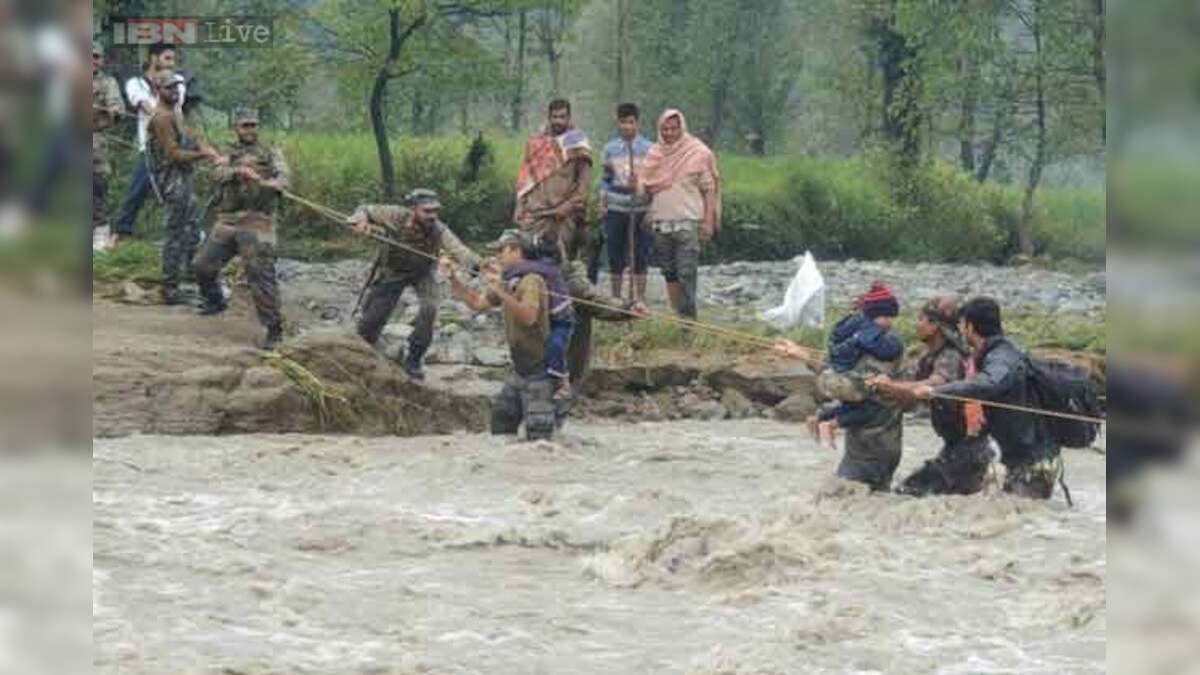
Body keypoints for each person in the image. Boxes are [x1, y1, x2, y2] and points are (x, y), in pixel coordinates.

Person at [910, 297, 1064, 500]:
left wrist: (937, 390)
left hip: (1033, 462)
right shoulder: (998, 352)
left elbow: (989, 383)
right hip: (1020, 457)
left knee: (1018, 518)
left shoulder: (1001, 357)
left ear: (970, 326)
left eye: (962, 324)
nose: (960, 330)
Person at [442, 230, 562, 441]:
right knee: (500, 425)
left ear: (516, 250)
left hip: (540, 371)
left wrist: (499, 290)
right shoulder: (509, 280)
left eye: (501, 250)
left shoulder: (532, 280)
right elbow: (476, 304)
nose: (497, 256)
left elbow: (529, 317)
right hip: (520, 371)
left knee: (540, 439)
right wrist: (453, 278)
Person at [348, 189, 481, 380]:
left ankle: (414, 356)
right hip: (393, 271)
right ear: (413, 209)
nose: (433, 216)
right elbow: (365, 210)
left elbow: (459, 250)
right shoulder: (394, 214)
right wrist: (360, 220)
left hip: (423, 273)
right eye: (427, 211)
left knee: (430, 308)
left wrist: (479, 265)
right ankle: (361, 351)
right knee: (371, 320)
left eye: (436, 211)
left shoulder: (438, 229)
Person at [872, 297, 993, 497]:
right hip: (956, 449)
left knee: (908, 493)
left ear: (935, 325)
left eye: (921, 319)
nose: (916, 324)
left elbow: (935, 384)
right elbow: (908, 386)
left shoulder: (951, 356)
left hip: (969, 451)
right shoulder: (928, 356)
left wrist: (892, 386)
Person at [192, 108, 289, 350]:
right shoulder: (227, 151)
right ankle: (215, 301)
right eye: (245, 125)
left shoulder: (271, 151)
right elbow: (216, 172)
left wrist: (268, 182)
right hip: (228, 219)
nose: (250, 130)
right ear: (236, 127)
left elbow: (284, 178)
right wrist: (238, 172)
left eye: (253, 125)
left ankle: (274, 328)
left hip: (258, 220)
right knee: (202, 265)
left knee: (260, 272)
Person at [636, 109, 721, 320]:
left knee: (686, 272)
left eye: (674, 128)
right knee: (669, 272)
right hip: (661, 223)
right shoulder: (654, 155)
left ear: (682, 128)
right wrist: (638, 186)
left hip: (688, 222)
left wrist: (708, 221)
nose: (670, 133)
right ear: (659, 129)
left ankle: (689, 320)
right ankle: (677, 316)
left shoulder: (698, 152)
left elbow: (709, 189)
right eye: (665, 129)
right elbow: (644, 188)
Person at [145, 70, 218, 306]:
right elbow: (173, 154)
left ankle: (188, 276)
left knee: (191, 229)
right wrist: (202, 155)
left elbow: (190, 136)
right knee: (174, 235)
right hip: (172, 181)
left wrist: (207, 148)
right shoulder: (161, 118)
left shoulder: (175, 113)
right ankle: (169, 288)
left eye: (177, 87)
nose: (174, 91)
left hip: (184, 180)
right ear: (159, 90)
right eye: (169, 88)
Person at [811, 283, 904, 448]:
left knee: (852, 406)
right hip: (847, 380)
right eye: (888, 318)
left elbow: (836, 342)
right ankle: (831, 425)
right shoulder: (869, 332)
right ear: (878, 315)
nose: (890, 323)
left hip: (830, 376)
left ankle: (819, 418)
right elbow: (885, 351)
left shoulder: (850, 326)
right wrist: (896, 346)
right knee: (871, 407)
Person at [112, 43, 184, 247]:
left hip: (174, 146)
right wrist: (159, 110)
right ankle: (118, 235)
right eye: (167, 58)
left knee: (180, 192)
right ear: (154, 58)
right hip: (150, 146)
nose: (172, 63)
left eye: (173, 59)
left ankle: (185, 236)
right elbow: (147, 106)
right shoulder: (136, 83)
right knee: (138, 189)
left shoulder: (178, 81)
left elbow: (175, 107)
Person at [514, 98, 593, 263]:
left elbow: (583, 186)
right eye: (555, 117)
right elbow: (525, 179)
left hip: (562, 216)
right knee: (529, 260)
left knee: (559, 263)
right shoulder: (536, 142)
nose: (558, 121)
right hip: (535, 213)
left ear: (569, 117)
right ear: (549, 117)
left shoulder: (577, 143)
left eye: (562, 117)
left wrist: (567, 207)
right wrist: (519, 206)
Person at [598, 103, 653, 302]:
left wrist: (648, 200)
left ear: (638, 123)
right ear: (618, 123)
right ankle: (615, 297)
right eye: (623, 122)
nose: (627, 127)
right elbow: (605, 178)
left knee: (641, 254)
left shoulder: (649, 149)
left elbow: (654, 180)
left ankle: (639, 298)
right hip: (616, 207)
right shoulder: (610, 148)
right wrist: (602, 202)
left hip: (640, 207)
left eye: (631, 122)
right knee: (615, 254)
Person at [91, 41, 123, 245]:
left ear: (101, 60)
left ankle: (100, 233)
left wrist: (114, 111)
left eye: (96, 56)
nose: (92, 60)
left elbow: (117, 105)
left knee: (98, 185)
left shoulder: (108, 82)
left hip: (96, 140)